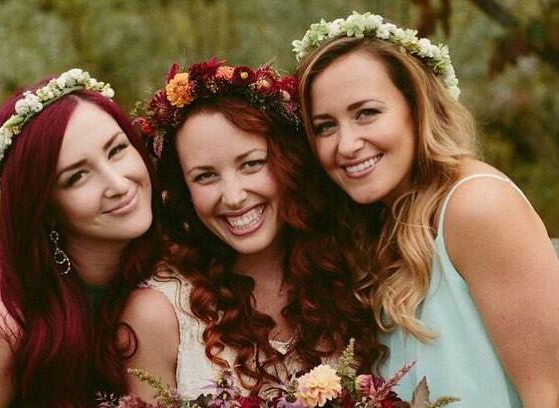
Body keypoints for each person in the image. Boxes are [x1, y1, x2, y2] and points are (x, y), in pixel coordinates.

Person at [294, 10, 559, 408]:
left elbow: (548, 390)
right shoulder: (377, 223)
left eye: (366, 113)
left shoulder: (477, 206)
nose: (346, 144)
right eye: (325, 126)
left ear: (417, 108)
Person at [120, 58, 385, 400]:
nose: (233, 196)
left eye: (252, 164)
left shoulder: (356, 270)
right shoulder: (158, 314)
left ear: (290, 163)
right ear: (184, 192)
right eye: (205, 176)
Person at [0, 69, 162, 407]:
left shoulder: (181, 244)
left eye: (117, 150)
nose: (118, 184)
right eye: (78, 176)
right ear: (43, 205)